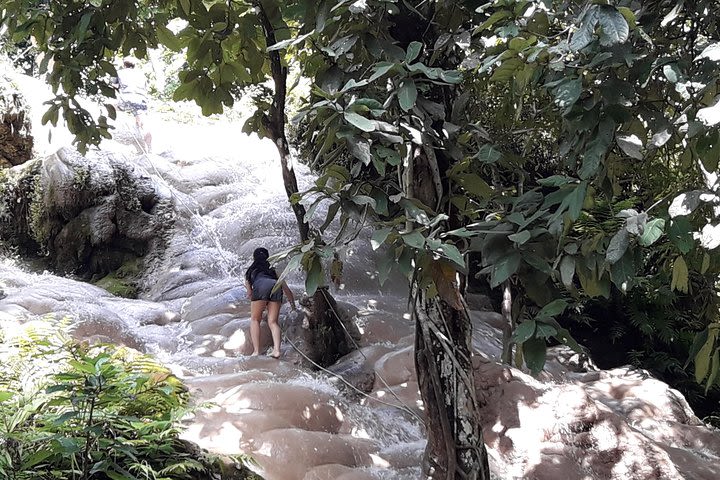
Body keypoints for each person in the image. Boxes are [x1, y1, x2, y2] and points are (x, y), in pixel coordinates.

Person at [244, 247, 296, 358]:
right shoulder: (272, 270)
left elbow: (249, 293)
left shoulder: (250, 271)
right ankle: (277, 350)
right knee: (273, 322)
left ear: (254, 258)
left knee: (255, 319)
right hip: (275, 286)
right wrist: (293, 305)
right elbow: (286, 289)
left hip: (260, 287)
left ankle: (256, 351)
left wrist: (254, 296)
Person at [113, 56, 152, 152]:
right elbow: (146, 88)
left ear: (124, 64)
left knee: (110, 108)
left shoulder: (119, 72)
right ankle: (150, 148)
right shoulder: (141, 74)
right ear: (134, 65)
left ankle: (109, 134)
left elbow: (113, 86)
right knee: (143, 124)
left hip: (126, 99)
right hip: (141, 100)